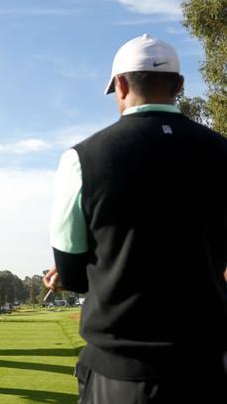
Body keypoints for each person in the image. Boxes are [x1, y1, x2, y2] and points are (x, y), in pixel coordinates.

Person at [44, 34, 226, 403]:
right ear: (179, 86)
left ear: (121, 85)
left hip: (121, 373)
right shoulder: (221, 152)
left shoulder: (82, 158)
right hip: (208, 368)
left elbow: (74, 272)